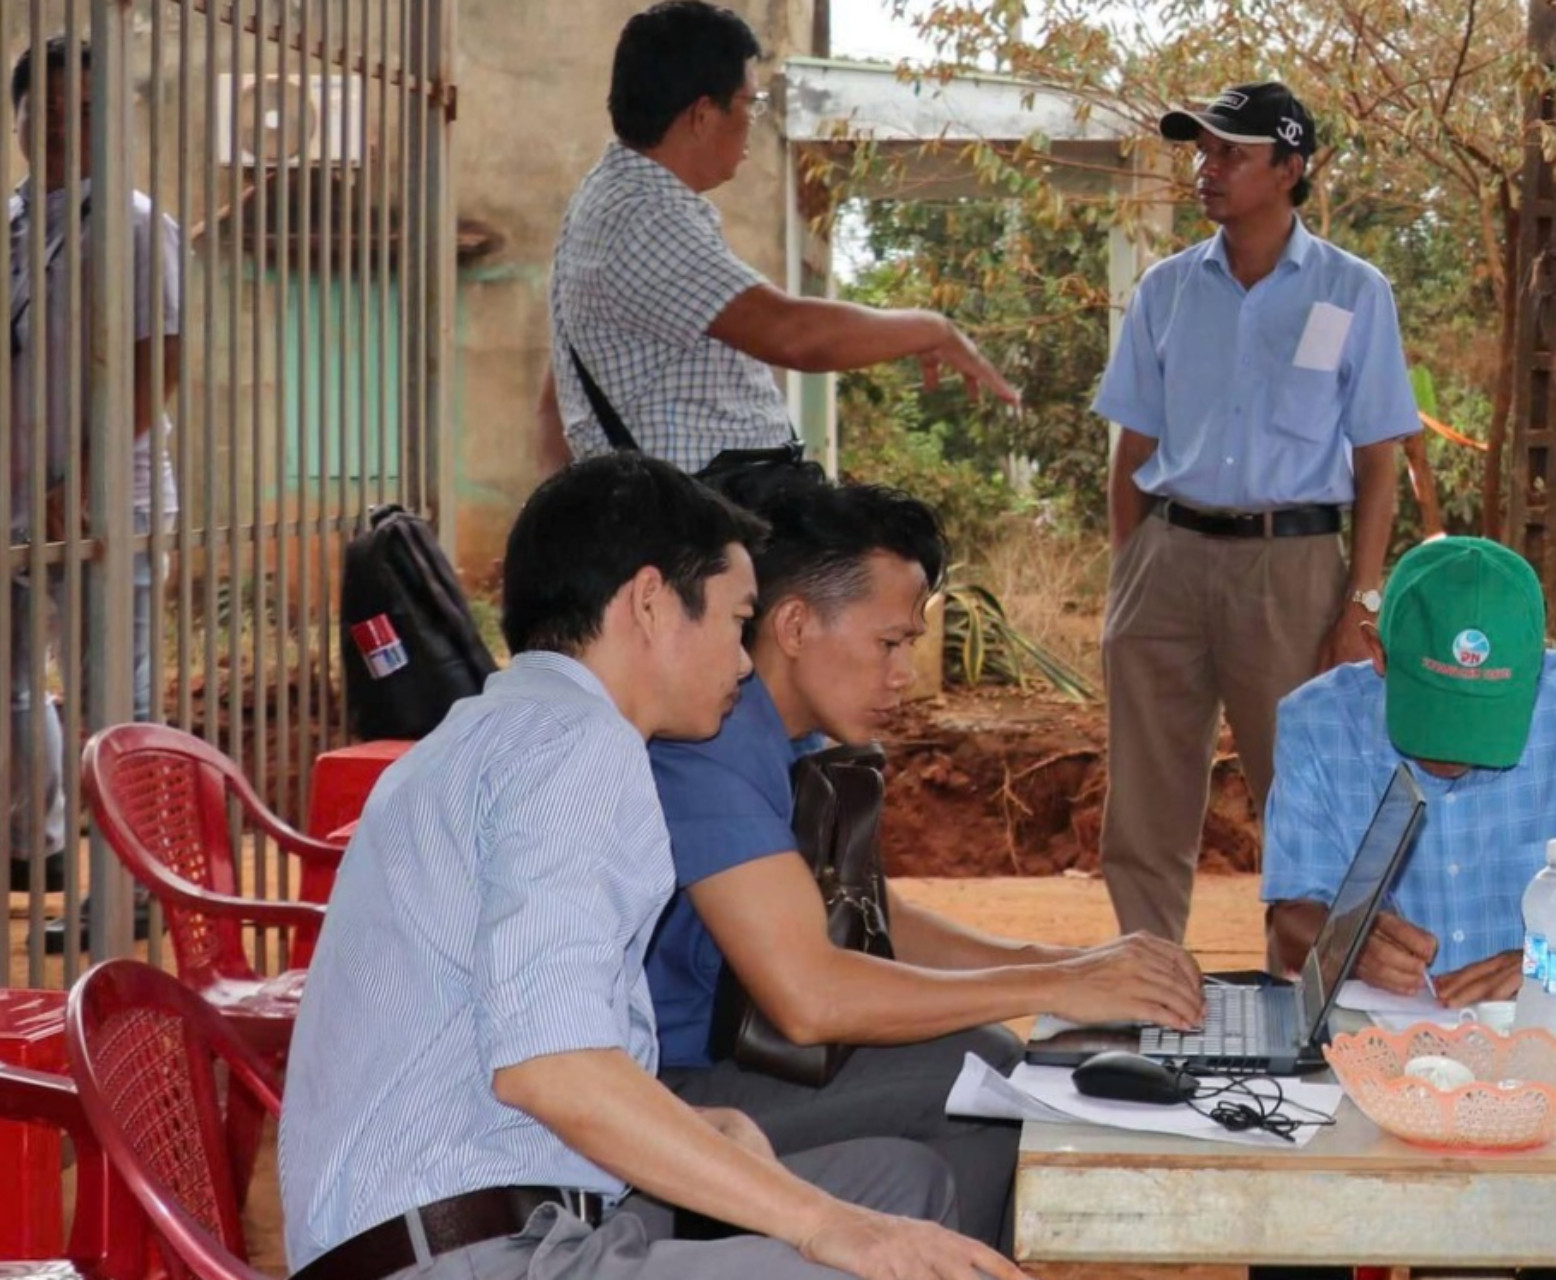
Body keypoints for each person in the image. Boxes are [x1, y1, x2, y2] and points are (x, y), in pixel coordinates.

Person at [279, 453, 1024, 1280]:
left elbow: (508, 1049)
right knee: (863, 1254)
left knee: (903, 1185)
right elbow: (551, 1070)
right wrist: (826, 1227)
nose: (743, 662)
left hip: (499, 1218)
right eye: (735, 621)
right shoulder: (576, 748)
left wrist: (694, 1126)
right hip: (472, 1257)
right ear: (649, 603)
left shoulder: (506, 727)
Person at [645, 469, 1205, 1251]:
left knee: (978, 1079)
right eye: (889, 643)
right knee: (982, 1073)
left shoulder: (793, 738)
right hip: (670, 1101)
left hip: (742, 1068)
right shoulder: (710, 748)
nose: (904, 674)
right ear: (795, 625)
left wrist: (1069, 963)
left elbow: (881, 921)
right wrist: (1054, 985)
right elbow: (809, 998)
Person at [1262, 536, 1556, 1280]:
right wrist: (1349, 941)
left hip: (1555, 1065)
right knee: (1292, 1223)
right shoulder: (1317, 723)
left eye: (1485, 714)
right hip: (1378, 1072)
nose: (1457, 754)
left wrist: (1554, 960)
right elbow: (1288, 923)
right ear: (1378, 654)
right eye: (1437, 713)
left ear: (1539, 663)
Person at [1093, 81, 1421, 943]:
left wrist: (1361, 599)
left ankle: (1301, 981)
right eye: (1202, 151)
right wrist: (1129, 574)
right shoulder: (1165, 291)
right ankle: (1148, 970)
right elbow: (1131, 449)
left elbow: (1377, 459)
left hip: (1293, 568)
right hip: (1165, 560)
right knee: (1146, 796)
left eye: (1230, 154)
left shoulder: (1353, 292)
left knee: (1303, 789)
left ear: (1288, 168)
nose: (1206, 169)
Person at [538, 0, 1017, 476]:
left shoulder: (609, 199)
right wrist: (931, 328)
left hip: (687, 502)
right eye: (751, 103)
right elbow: (792, 334)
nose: (754, 119)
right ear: (703, 115)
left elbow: (556, 399)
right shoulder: (647, 216)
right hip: (698, 513)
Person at [6, 35, 181, 952]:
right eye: (46, 110)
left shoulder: (135, 225)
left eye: (85, 112)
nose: (64, 128)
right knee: (13, 688)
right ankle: (33, 846)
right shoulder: (12, 221)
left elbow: (160, 361)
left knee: (112, 699)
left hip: (109, 506)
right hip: (16, 505)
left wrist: (85, 472)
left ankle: (133, 888)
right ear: (16, 117)